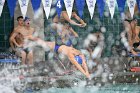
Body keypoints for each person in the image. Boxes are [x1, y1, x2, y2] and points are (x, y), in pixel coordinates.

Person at [26, 35, 90, 78]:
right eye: (74, 66)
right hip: (57, 47)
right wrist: (85, 74)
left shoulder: (80, 53)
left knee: (42, 42)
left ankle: (30, 38)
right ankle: (29, 37)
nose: (75, 67)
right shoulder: (70, 55)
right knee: (41, 43)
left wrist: (87, 72)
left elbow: (83, 63)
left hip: (62, 45)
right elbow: (78, 65)